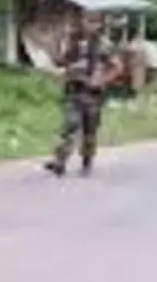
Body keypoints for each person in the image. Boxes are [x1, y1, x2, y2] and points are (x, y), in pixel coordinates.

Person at [43, 10, 121, 178]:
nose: (89, 24)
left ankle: (87, 161)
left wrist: (102, 80)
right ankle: (60, 161)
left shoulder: (104, 44)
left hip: (93, 93)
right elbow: (61, 61)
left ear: (99, 24)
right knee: (70, 124)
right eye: (86, 20)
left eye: (93, 22)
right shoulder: (73, 42)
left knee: (89, 131)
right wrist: (55, 48)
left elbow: (117, 67)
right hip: (74, 89)